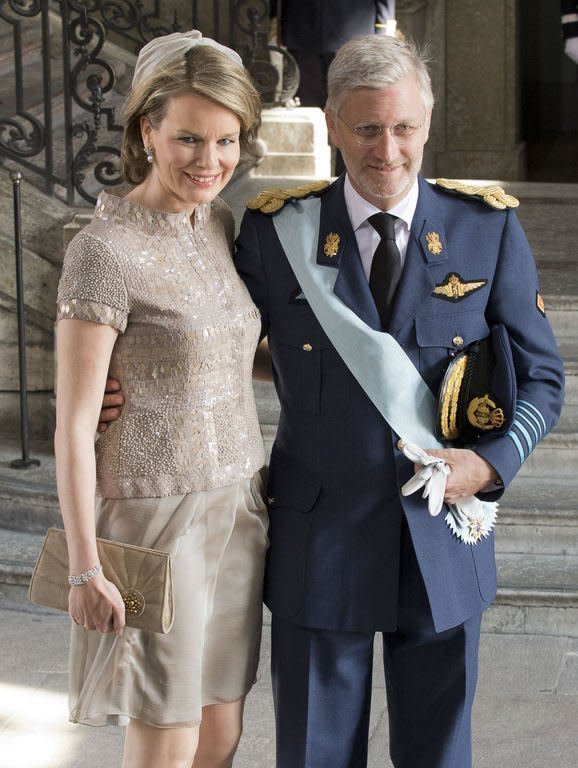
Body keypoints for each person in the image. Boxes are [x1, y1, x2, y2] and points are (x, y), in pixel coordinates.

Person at [232, 34, 565, 767]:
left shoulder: (487, 228)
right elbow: (219, 343)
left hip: (442, 535)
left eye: (404, 127)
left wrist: (490, 464)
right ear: (331, 124)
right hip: (319, 539)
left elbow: (542, 376)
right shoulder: (272, 233)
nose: (388, 149)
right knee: (315, 753)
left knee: (437, 755)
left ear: (428, 121)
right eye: (366, 127)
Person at [55, 30, 268, 768]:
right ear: (146, 131)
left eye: (226, 140)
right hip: (153, 521)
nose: (208, 162)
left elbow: (232, 354)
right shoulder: (102, 251)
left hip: (238, 510)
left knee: (220, 734)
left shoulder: (217, 225)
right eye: (186, 139)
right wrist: (86, 567)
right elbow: (75, 426)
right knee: (165, 743)